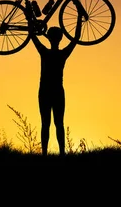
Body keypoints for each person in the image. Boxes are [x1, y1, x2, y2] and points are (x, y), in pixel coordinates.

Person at [31, 17, 83, 156]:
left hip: (45, 91)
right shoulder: (62, 54)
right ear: (60, 38)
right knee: (59, 123)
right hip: (58, 91)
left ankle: (44, 154)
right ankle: (62, 153)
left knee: (45, 123)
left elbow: (32, 35)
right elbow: (76, 38)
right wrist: (79, 18)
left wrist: (29, 18)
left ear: (49, 38)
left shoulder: (44, 52)